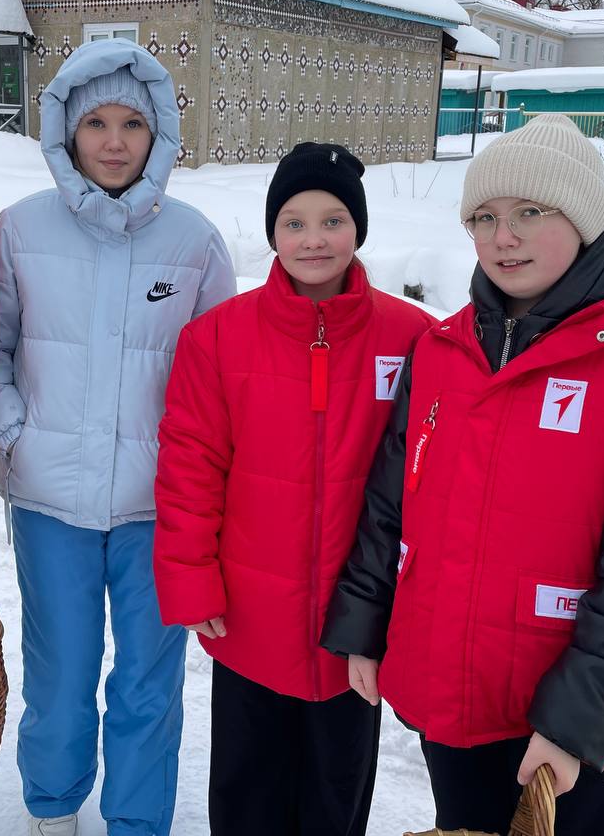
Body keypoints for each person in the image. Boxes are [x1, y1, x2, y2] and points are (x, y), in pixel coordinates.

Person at [322, 114, 604, 836]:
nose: (501, 237)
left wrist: (577, 723)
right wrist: (365, 624)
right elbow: (393, 503)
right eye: (484, 217)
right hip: (457, 698)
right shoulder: (441, 351)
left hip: (576, 729)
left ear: (586, 219)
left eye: (529, 213)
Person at [0, 38, 235, 836]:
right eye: (95, 123)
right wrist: (10, 428)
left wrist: (209, 484)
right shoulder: (17, 230)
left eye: (132, 122)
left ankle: (136, 821)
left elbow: (224, 374)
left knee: (148, 683)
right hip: (49, 498)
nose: (114, 141)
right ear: (65, 130)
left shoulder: (194, 242)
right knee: (60, 673)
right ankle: (53, 807)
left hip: (161, 509)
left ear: (159, 133)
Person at [153, 142, 433, 836]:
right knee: (249, 786)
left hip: (356, 624)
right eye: (295, 222)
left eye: (333, 220)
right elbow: (190, 464)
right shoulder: (218, 338)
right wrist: (191, 578)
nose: (314, 239)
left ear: (359, 229)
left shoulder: (414, 338)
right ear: (273, 231)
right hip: (250, 617)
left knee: (336, 793)